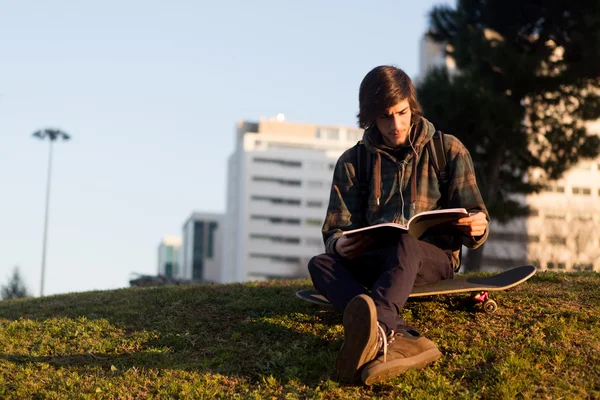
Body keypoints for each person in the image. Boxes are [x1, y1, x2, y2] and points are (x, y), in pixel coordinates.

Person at [307, 65, 490, 385]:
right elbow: (334, 229)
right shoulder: (353, 163)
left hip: (431, 262)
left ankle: (377, 332)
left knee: (405, 242)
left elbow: (477, 216)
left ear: (411, 105)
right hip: (378, 263)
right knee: (320, 264)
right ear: (370, 118)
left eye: (402, 112)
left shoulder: (447, 150)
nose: (396, 124)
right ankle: (396, 335)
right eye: (385, 116)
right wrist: (339, 244)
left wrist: (477, 227)